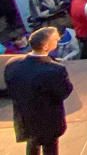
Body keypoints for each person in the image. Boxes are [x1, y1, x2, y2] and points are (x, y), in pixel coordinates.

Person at [3, 26, 74, 155]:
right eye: (55, 40)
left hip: (25, 118)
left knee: (32, 143)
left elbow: (11, 88)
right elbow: (64, 92)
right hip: (48, 120)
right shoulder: (55, 70)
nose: (57, 42)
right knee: (50, 147)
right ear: (46, 46)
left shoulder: (12, 64)